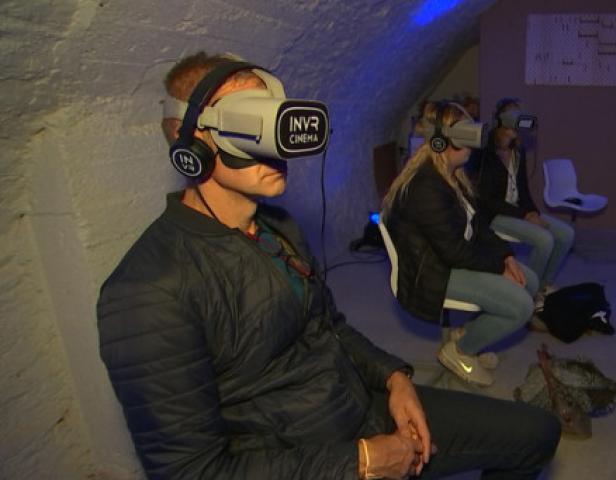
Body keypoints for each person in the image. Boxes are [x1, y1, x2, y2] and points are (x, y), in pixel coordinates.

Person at [97, 52, 560, 480]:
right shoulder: (149, 291)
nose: (278, 145)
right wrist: (361, 461)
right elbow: (191, 472)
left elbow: (330, 327)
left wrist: (395, 378)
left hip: (356, 401)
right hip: (304, 456)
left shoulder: (278, 227)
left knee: (537, 433)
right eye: (251, 124)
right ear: (194, 140)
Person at [382, 101, 539, 387]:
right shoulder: (426, 186)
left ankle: (468, 335)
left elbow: (478, 224)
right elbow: (454, 252)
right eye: (464, 134)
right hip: (433, 273)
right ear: (441, 141)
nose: (473, 142)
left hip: (452, 258)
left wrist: (506, 256)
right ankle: (461, 351)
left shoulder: (452, 174)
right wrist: (498, 268)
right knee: (520, 305)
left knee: (530, 280)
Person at [470, 98, 574, 294]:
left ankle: (542, 285)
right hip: (494, 214)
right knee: (544, 240)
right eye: (510, 115)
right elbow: (487, 200)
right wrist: (525, 215)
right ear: (499, 119)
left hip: (517, 210)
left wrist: (533, 212)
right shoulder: (484, 150)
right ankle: (526, 292)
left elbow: (523, 189)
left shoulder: (518, 150)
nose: (515, 120)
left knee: (566, 234)